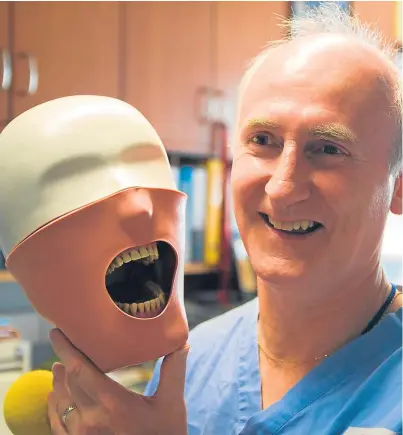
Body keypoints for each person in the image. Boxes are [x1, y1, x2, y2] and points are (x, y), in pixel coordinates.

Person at [47, 3, 402, 434]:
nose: (282, 186)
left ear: (397, 186)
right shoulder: (192, 363)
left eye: (328, 148)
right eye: (263, 140)